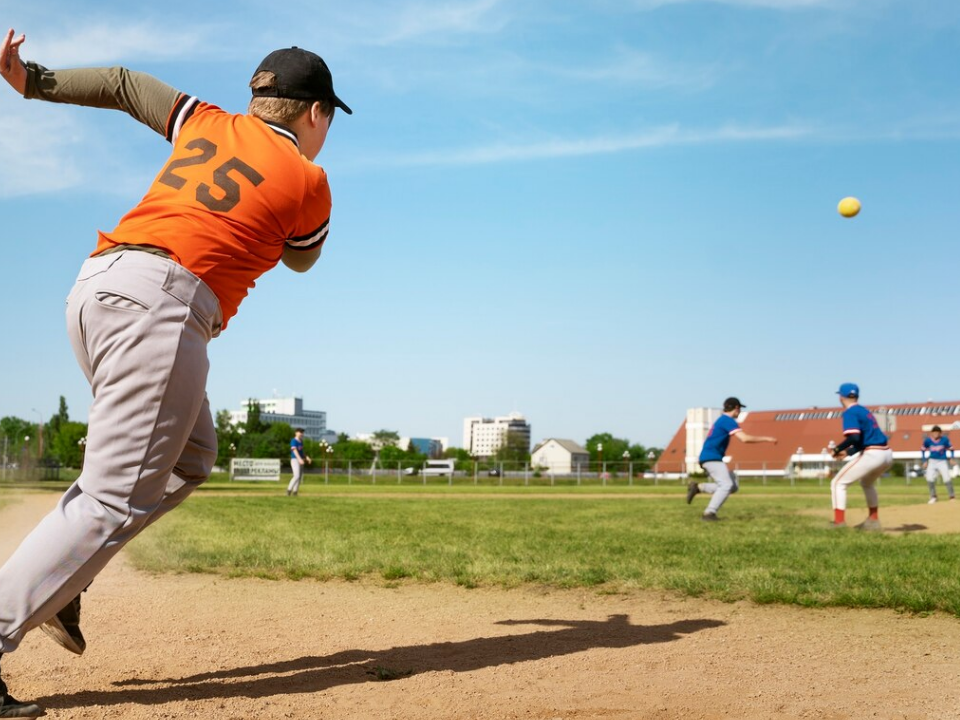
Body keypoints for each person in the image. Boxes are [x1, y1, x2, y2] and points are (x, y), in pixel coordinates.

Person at [0, 27, 350, 717]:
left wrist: (31, 79)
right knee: (110, 498)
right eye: (328, 119)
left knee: (194, 455)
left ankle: (63, 586)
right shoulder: (311, 180)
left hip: (98, 286)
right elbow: (301, 259)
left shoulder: (207, 121)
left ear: (257, 100)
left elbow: (127, 85)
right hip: (161, 308)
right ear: (314, 114)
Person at [686, 397, 777, 521]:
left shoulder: (722, 420)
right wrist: (767, 439)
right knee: (726, 484)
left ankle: (698, 487)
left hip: (710, 457)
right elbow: (744, 438)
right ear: (736, 408)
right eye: (739, 409)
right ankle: (709, 513)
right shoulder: (727, 420)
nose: (739, 412)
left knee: (732, 486)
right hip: (712, 457)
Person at [828, 383, 893, 530]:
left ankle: (839, 523)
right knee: (867, 483)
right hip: (886, 454)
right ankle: (873, 520)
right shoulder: (864, 411)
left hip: (873, 454)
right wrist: (848, 452)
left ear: (841, 397)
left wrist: (837, 449)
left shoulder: (850, 412)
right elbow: (863, 439)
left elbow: (854, 438)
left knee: (838, 483)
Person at [921, 425, 955, 504]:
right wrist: (924, 461)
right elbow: (922, 450)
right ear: (932, 433)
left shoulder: (944, 440)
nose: (936, 434)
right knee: (929, 479)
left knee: (946, 478)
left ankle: (951, 496)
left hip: (942, 461)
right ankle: (933, 496)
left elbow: (951, 449)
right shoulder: (928, 441)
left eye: (937, 432)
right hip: (932, 461)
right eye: (934, 432)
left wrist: (951, 458)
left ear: (940, 433)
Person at [286, 428, 312, 496]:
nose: (301, 434)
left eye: (302, 432)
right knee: (296, 476)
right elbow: (294, 450)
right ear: (296, 433)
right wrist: (299, 459)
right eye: (300, 432)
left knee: (299, 477)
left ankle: (295, 492)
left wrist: (306, 457)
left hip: (300, 460)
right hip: (295, 459)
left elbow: (301, 452)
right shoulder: (294, 440)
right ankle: (289, 490)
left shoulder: (301, 441)